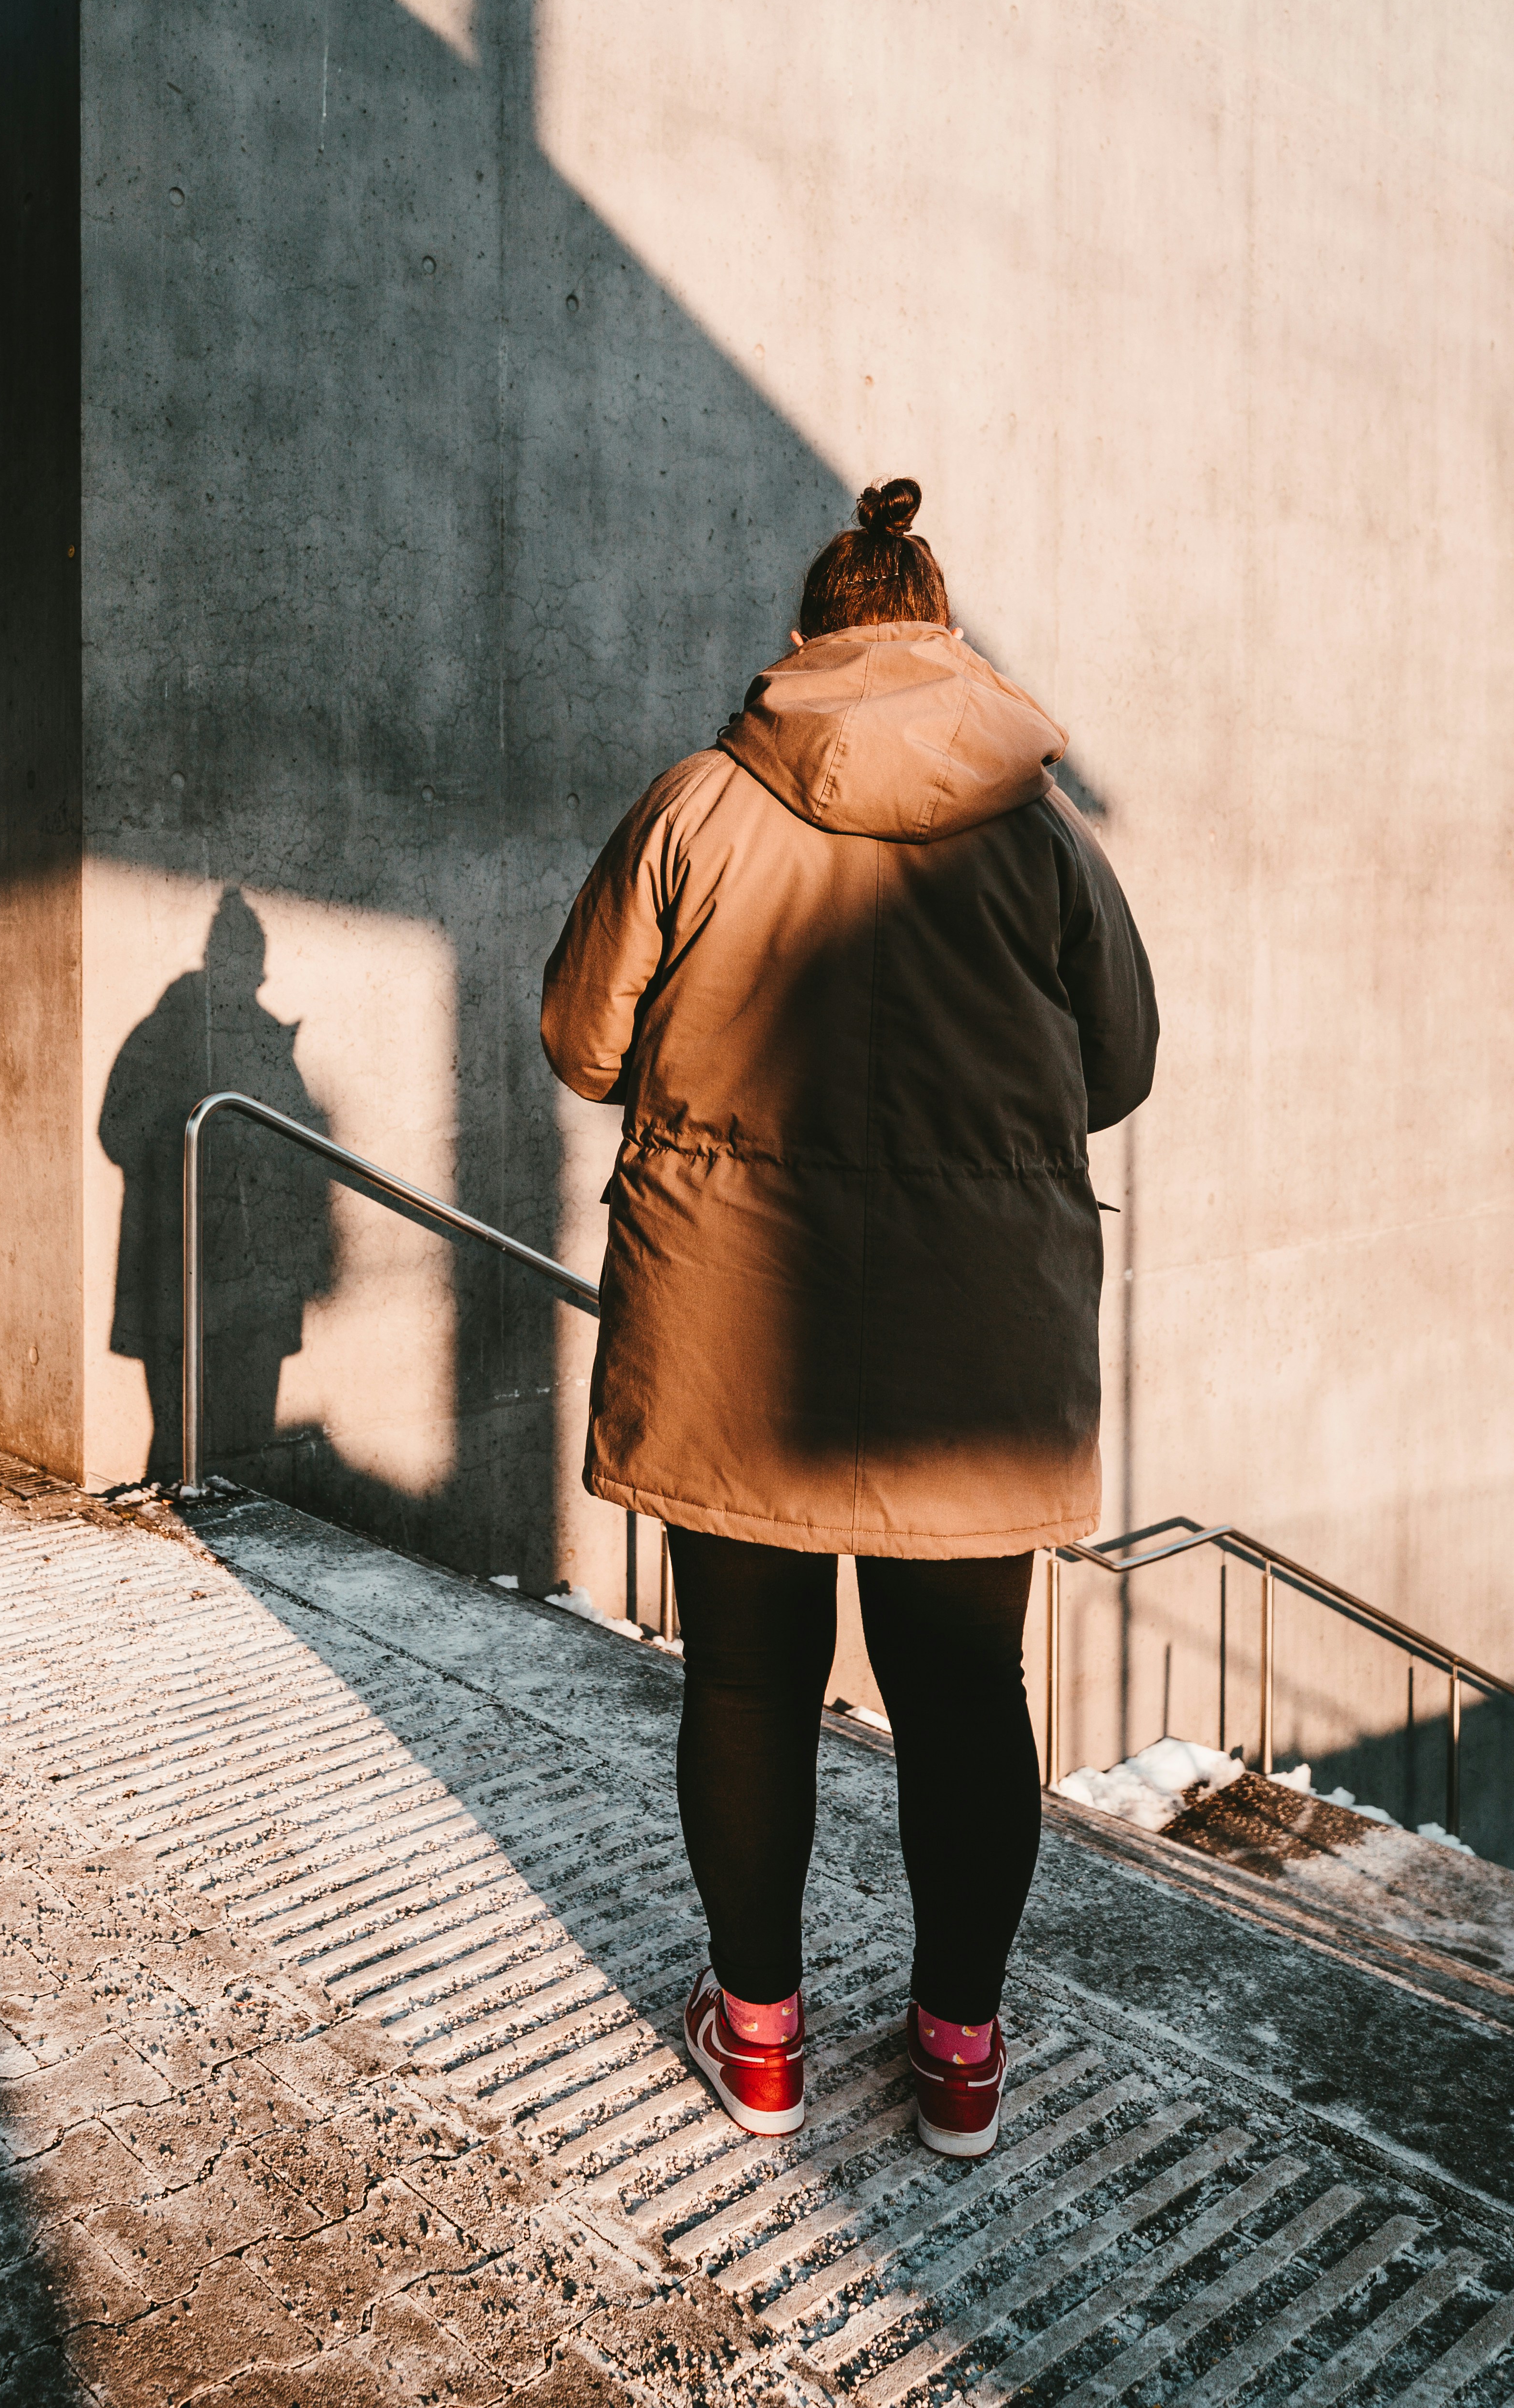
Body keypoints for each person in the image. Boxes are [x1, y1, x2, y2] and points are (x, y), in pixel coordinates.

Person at [539, 479, 1156, 2155]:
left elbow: (582, 1043)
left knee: (748, 1680)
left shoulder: (698, 805)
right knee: (963, 1695)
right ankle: (957, 2052)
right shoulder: (1041, 836)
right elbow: (1121, 1070)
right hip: (979, 1347)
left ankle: (757, 2046)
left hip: (736, 1320)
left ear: (808, 635)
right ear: (941, 630)